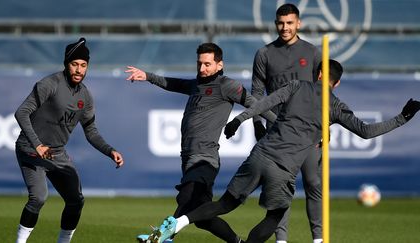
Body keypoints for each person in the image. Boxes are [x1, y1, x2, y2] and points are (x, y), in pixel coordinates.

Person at [145, 59, 420, 243]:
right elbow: (367, 132)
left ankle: (179, 222)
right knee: (275, 216)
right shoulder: (336, 106)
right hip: (283, 169)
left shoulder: (296, 86)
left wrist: (240, 120)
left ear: (319, 74)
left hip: (258, 156)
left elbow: (264, 104)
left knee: (225, 204)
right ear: (336, 83)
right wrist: (402, 118)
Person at [125, 43, 277, 243]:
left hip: (205, 157)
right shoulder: (196, 84)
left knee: (186, 198)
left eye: (207, 64)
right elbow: (172, 83)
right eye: (199, 64)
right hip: (188, 157)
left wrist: (284, 125)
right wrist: (147, 76)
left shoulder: (226, 86)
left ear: (219, 65)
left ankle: (159, 237)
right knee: (203, 218)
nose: (202, 68)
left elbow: (257, 105)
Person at [14, 37, 124, 243]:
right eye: (74, 64)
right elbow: (21, 113)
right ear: (66, 64)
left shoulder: (86, 96)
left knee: (75, 201)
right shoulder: (49, 84)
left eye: (83, 65)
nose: (79, 70)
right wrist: (37, 144)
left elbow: (91, 131)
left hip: (57, 153)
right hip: (30, 149)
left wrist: (110, 151)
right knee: (38, 197)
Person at [251, 3, 322, 242]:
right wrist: (258, 126)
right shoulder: (264, 54)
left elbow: (323, 94)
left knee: (313, 184)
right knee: (281, 189)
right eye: (280, 23)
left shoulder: (313, 52)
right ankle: (281, 240)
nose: (285, 27)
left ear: (299, 23)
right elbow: (256, 94)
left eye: (290, 23)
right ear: (275, 24)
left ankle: (318, 239)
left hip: (307, 133)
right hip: (277, 133)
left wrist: (323, 129)